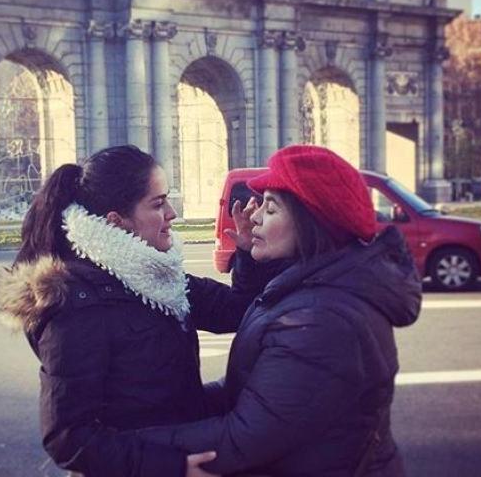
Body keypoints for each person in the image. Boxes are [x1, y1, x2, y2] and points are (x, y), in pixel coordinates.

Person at [136, 145, 423, 476]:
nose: (253, 216)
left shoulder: (322, 321)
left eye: (270, 209)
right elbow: (245, 391)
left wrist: (126, 450)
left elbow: (246, 438)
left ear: (309, 223)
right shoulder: (309, 288)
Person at [0, 145, 273, 477]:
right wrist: (169, 468)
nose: (172, 213)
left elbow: (238, 311)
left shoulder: (157, 278)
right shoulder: (79, 304)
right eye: (158, 203)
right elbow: (68, 436)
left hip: (179, 444)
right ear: (117, 221)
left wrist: (248, 255)